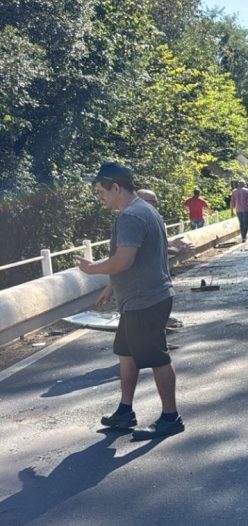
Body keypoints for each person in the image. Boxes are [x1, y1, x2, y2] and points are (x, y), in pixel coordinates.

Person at [77, 162, 184, 440]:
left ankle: (171, 417)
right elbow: (137, 257)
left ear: (116, 187)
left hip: (144, 300)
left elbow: (124, 260)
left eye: (102, 191)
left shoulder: (131, 216)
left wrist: (92, 269)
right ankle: (125, 411)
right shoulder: (146, 210)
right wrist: (112, 285)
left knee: (157, 357)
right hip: (142, 298)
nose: (101, 197)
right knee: (126, 354)